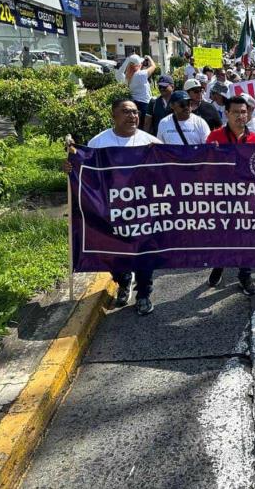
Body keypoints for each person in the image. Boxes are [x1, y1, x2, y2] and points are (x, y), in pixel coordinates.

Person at [65, 99, 161, 315]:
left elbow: (166, 171)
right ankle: (123, 279)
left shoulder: (151, 142)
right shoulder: (99, 143)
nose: (132, 116)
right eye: (126, 112)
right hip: (111, 211)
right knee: (114, 252)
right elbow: (86, 173)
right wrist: (71, 167)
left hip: (143, 211)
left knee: (145, 253)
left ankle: (144, 293)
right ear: (113, 116)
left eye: (135, 112)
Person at [205, 95, 255, 296]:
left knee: (246, 238)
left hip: (247, 199)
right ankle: (219, 264)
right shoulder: (214, 138)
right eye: (236, 112)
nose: (240, 116)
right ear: (226, 113)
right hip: (221, 199)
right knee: (222, 236)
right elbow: (205, 167)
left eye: (244, 112)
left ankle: (244, 275)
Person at [117, 54, 157, 127]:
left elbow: (119, 72)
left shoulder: (126, 77)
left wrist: (128, 60)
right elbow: (153, 66)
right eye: (141, 63)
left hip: (135, 104)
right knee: (148, 126)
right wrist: (149, 58)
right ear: (138, 65)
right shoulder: (141, 74)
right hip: (146, 104)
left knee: (139, 126)